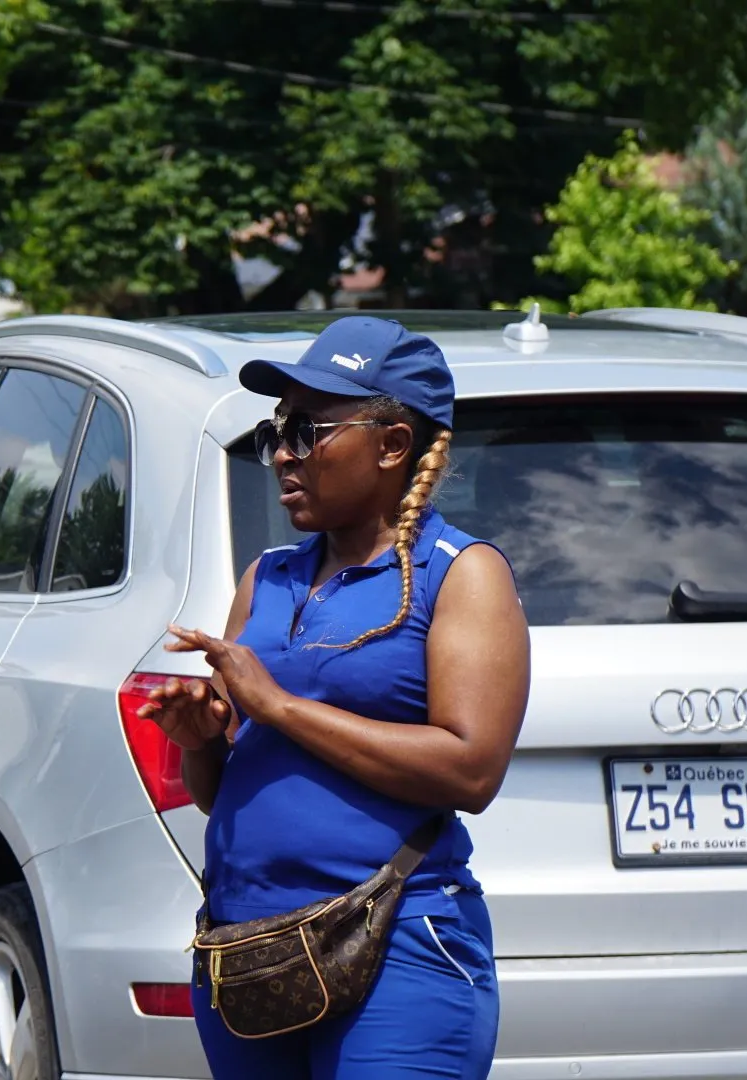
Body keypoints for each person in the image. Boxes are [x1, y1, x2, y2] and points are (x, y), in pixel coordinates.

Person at [139, 316, 531, 1080]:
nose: (284, 454)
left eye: (308, 431)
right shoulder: (268, 576)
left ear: (392, 445)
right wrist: (200, 738)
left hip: (398, 949)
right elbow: (219, 794)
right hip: (250, 952)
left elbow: (471, 770)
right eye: (277, 432)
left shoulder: (460, 573)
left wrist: (280, 708)